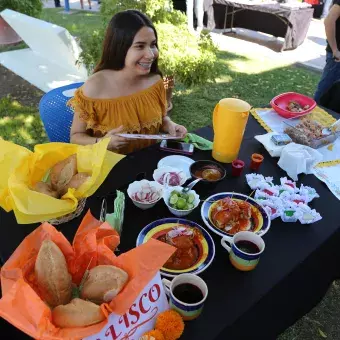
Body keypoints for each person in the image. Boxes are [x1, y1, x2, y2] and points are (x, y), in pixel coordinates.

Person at [69, 10, 187, 154]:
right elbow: (75, 137)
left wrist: (170, 125)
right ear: (119, 48)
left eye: (153, 44)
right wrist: (102, 143)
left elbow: (161, 118)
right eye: (139, 46)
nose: (151, 54)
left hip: (147, 163)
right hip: (108, 167)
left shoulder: (156, 81)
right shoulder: (95, 86)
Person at [314, 0, 340, 103]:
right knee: (325, 91)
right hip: (337, 56)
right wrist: (335, 50)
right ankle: (314, 115)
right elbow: (329, 20)